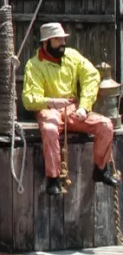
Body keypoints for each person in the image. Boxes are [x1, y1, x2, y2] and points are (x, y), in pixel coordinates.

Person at [22, 23, 117, 195]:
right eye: (57, 39)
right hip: (48, 109)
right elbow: (29, 99)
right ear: (46, 42)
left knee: (106, 125)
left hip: (73, 109)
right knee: (50, 129)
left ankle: (101, 170)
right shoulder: (34, 65)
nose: (62, 43)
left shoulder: (72, 56)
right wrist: (52, 102)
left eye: (63, 39)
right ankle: (53, 179)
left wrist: (84, 106)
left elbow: (91, 75)